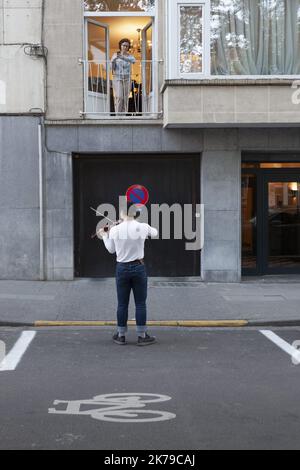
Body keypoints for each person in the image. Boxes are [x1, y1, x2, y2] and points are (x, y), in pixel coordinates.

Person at [99, 202, 158, 346]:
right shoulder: (142, 227)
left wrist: (105, 235)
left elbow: (111, 250)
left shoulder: (115, 230)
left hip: (122, 268)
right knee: (140, 303)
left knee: (122, 304)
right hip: (139, 267)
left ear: (122, 213)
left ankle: (120, 335)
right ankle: (142, 336)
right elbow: (155, 233)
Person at [111, 38, 136, 115]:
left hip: (127, 79)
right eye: (123, 45)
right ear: (120, 46)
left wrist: (123, 58)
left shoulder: (130, 56)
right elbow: (112, 68)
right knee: (119, 97)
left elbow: (133, 61)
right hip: (118, 78)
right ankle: (118, 115)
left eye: (127, 46)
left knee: (125, 98)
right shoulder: (115, 55)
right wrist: (113, 61)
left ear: (128, 48)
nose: (125, 47)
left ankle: (124, 115)